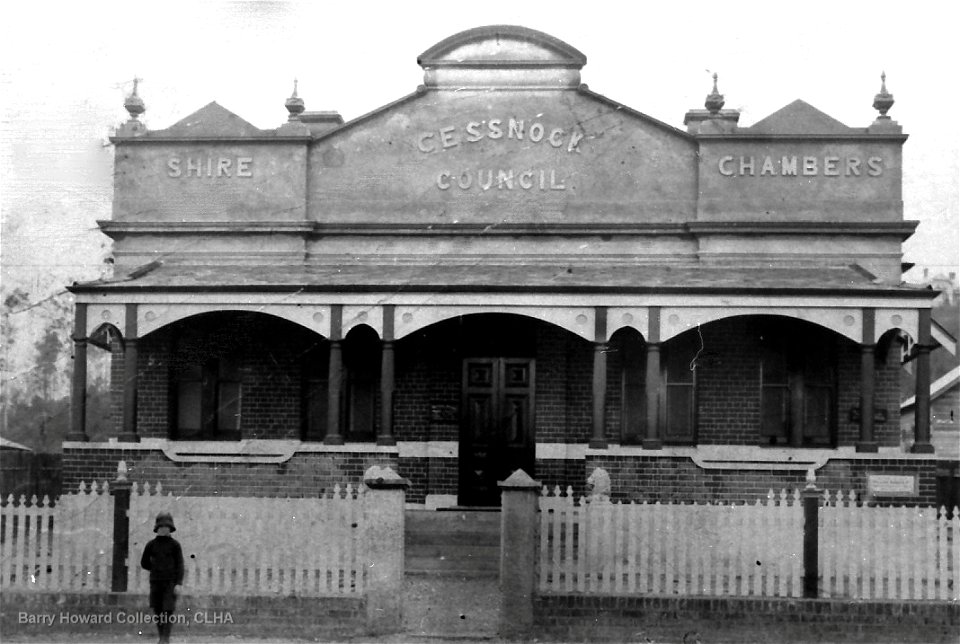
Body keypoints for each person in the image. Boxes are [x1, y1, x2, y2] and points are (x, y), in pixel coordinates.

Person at [140, 512, 184, 644]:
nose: (164, 529)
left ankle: (165, 638)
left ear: (171, 528)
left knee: (168, 609)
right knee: (158, 609)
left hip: (170, 582)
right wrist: (155, 568)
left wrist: (178, 583)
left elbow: (180, 565)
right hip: (155, 582)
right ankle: (161, 637)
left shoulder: (175, 545)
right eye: (161, 526)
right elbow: (144, 562)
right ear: (157, 528)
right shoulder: (151, 545)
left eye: (167, 526)